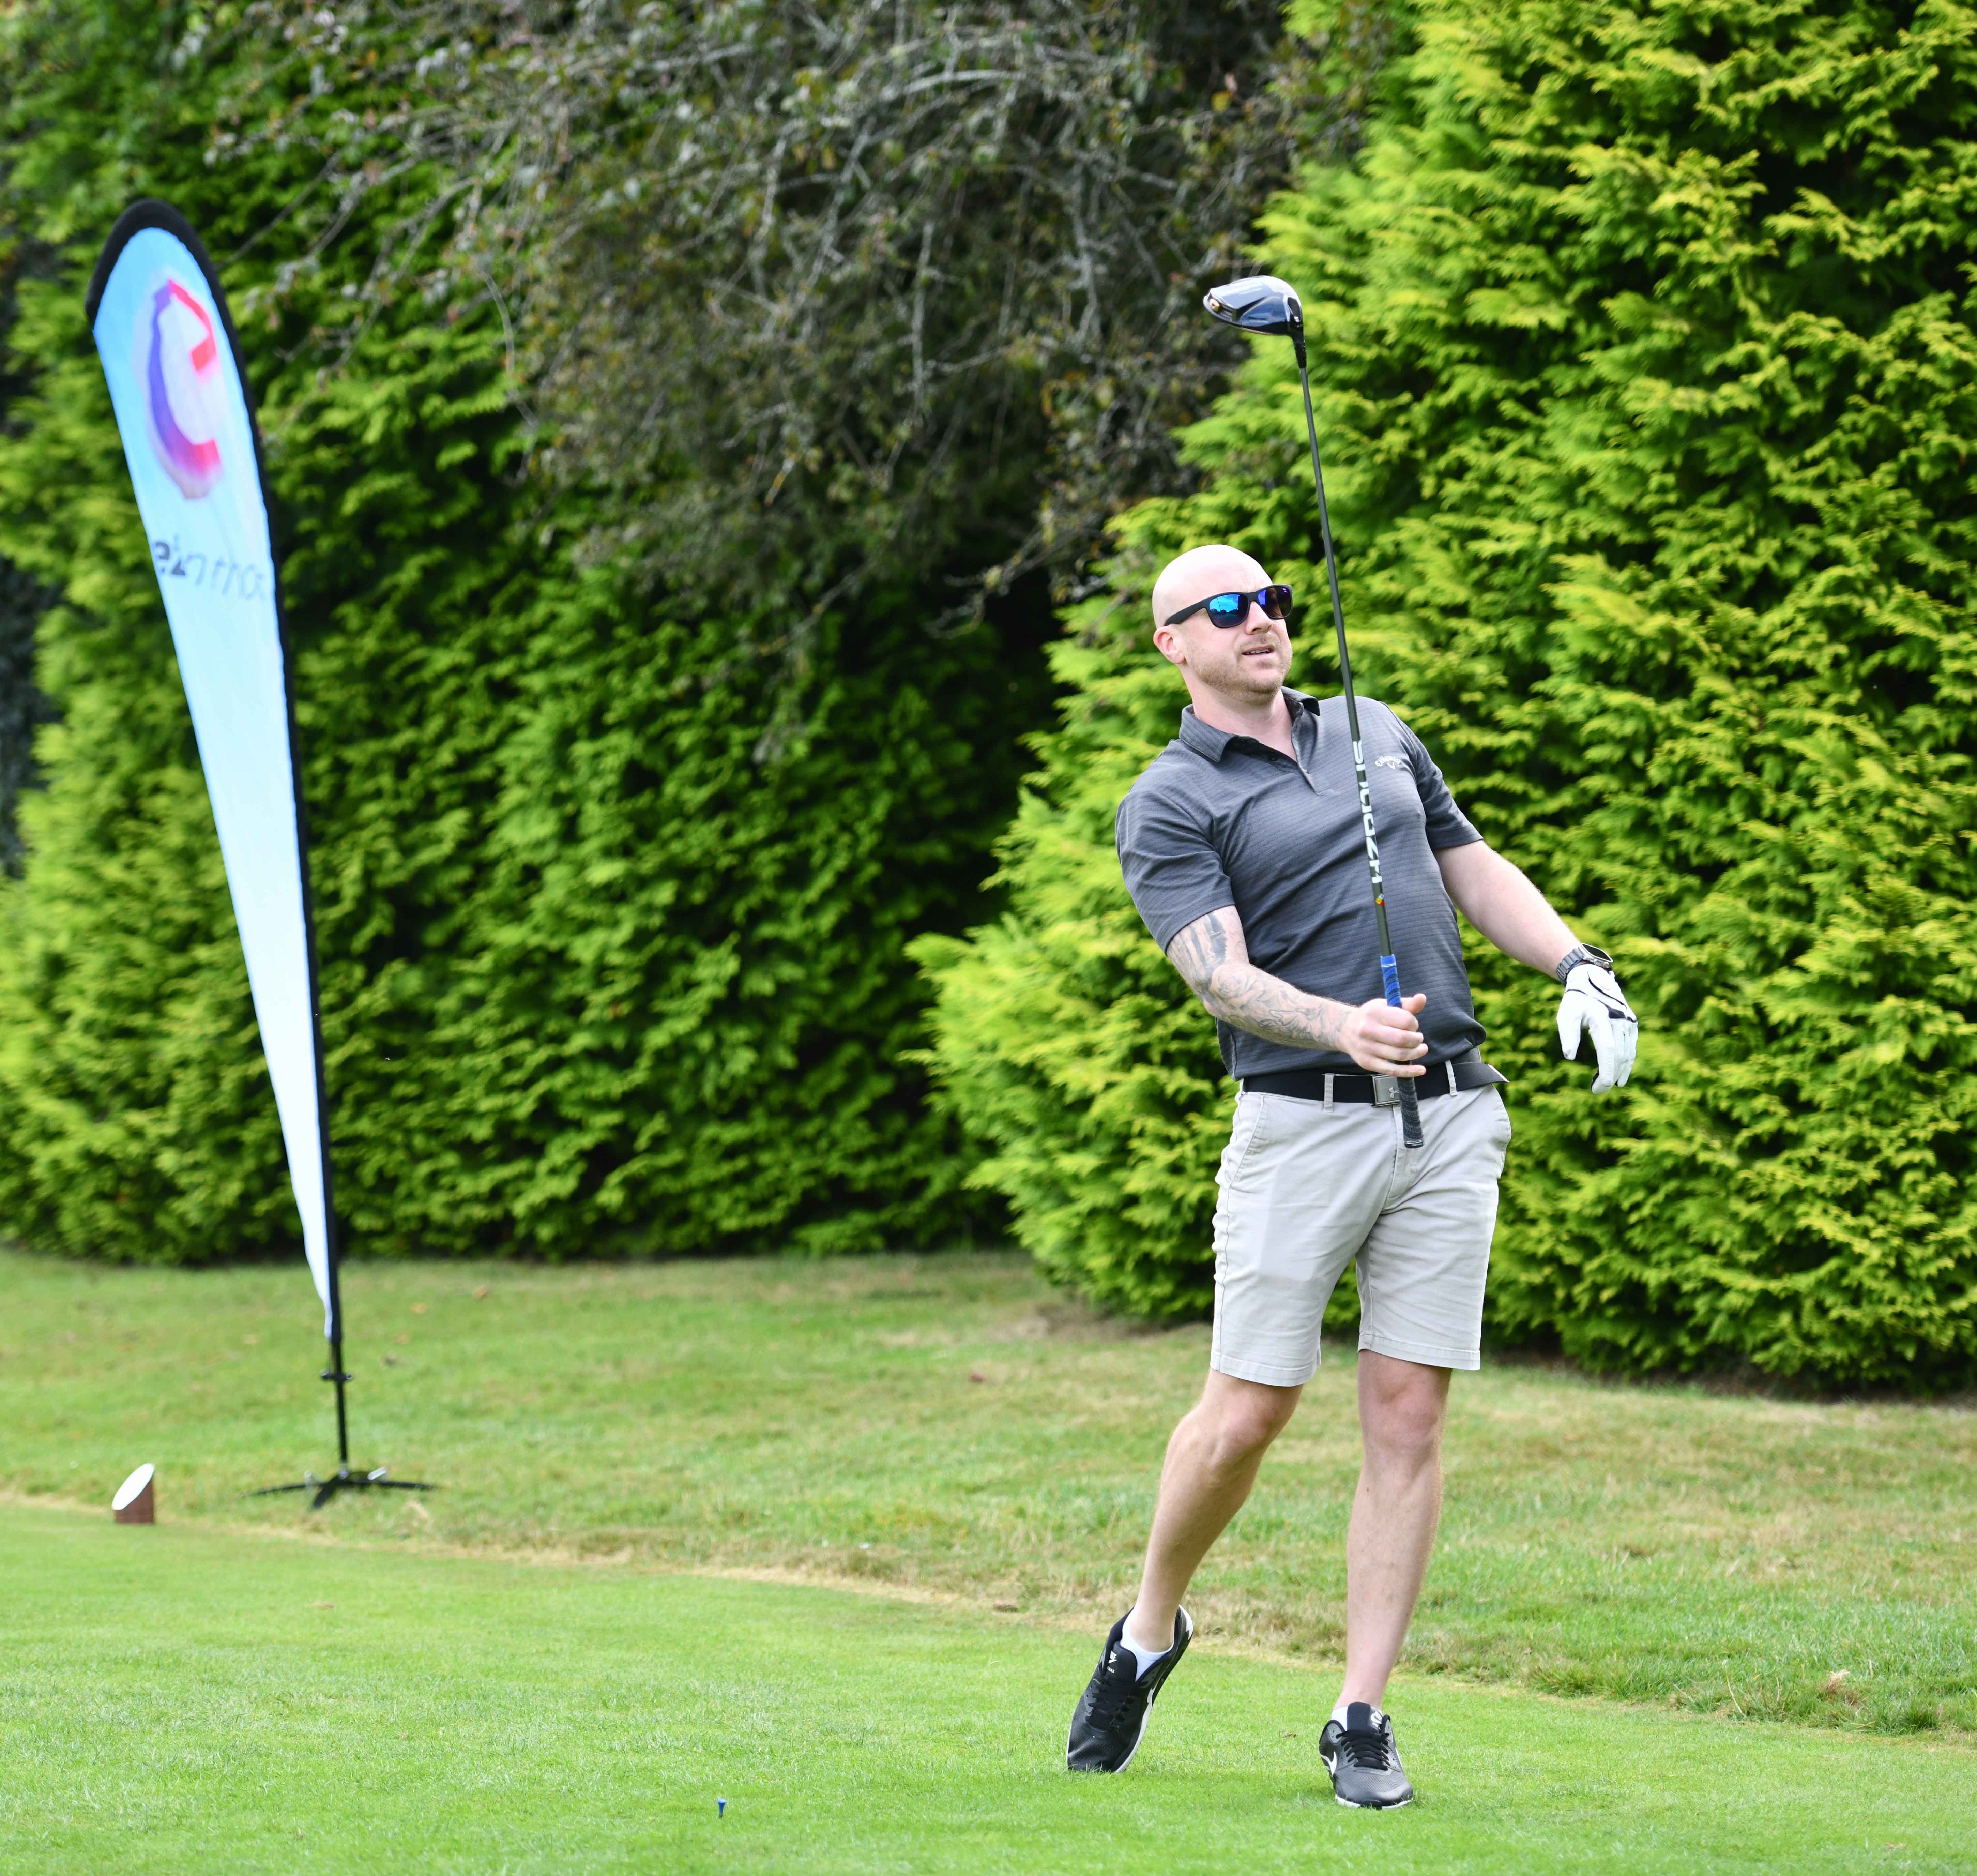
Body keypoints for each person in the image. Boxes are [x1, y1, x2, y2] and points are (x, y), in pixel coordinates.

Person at [1065, 543, 1637, 1807]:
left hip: (1452, 1116)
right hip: (1301, 1125)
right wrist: (1339, 1025)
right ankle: (1149, 1630)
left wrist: (1576, 963)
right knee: (1245, 1416)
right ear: (1172, 643)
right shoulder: (1169, 798)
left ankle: (1360, 1714)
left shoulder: (1376, 729)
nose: (1260, 619)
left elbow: (1469, 864)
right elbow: (1216, 973)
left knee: (1409, 1415)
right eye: (1225, 608)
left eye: (1270, 599)